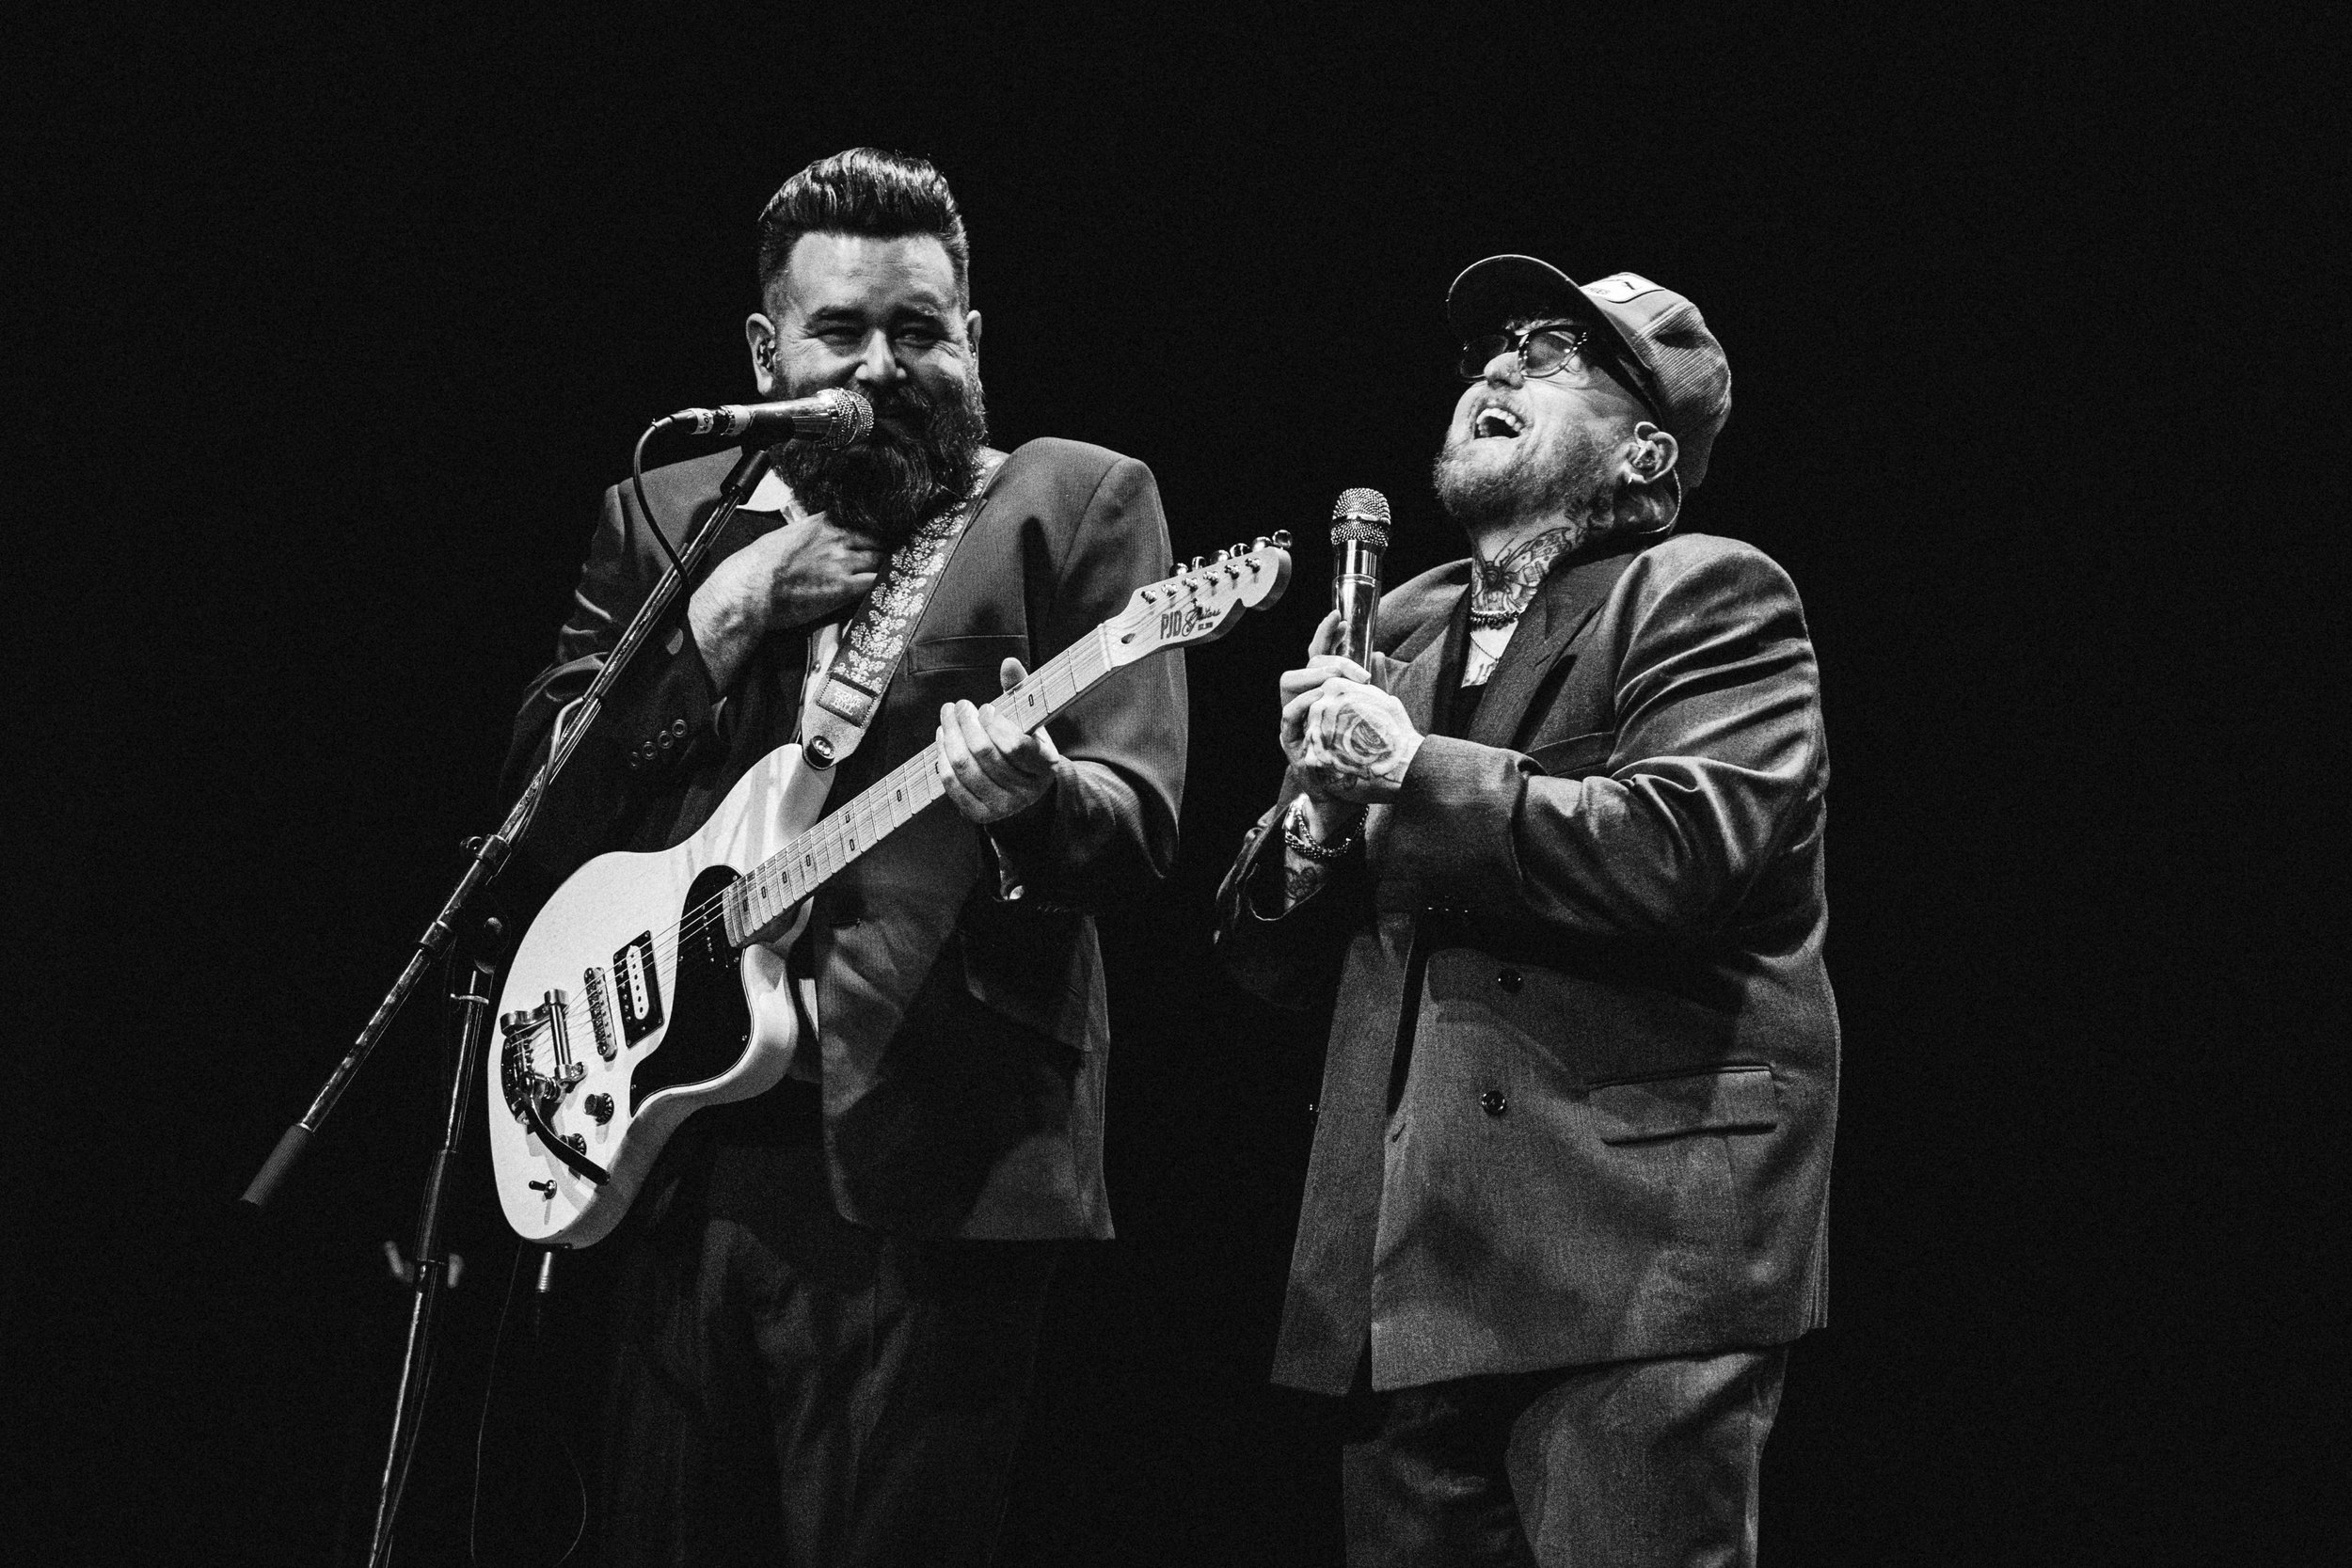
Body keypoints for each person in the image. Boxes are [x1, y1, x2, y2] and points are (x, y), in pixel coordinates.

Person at [502, 149, 1185, 1567]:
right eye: (841, 334)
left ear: (974, 341)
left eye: (921, 332)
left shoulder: (1077, 500)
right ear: (767, 351)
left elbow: (1138, 824)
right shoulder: (675, 511)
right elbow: (537, 801)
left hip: (935, 1151)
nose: (883, 366)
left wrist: (1033, 801)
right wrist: (726, 613)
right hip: (666, 1154)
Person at [1215, 256, 1836, 1566]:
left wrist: (1412, 769)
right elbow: (1271, 967)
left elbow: (1679, 856)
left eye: (1554, 355)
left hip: (1632, 1260)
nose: (1496, 367)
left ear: (1644, 456)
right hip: (1404, 1271)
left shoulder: (1712, 592)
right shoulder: (1399, 621)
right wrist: (1318, 826)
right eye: (1494, 349)